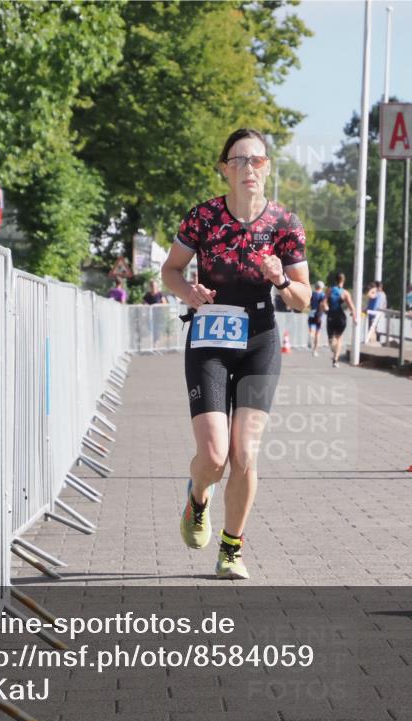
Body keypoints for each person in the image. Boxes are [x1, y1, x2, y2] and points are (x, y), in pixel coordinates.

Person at [161, 128, 310, 580]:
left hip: (260, 340)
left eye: (258, 161)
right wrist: (189, 291)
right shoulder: (203, 217)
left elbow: (303, 299)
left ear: (267, 168)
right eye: (240, 160)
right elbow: (170, 270)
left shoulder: (284, 225)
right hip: (210, 336)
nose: (249, 168)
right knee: (214, 456)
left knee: (244, 454)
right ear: (225, 168)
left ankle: (232, 548)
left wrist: (281, 279)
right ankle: (197, 497)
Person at [324, 272, 357, 367]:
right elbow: (351, 306)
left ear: (335, 280)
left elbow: (324, 302)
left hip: (331, 316)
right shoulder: (345, 293)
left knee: (332, 340)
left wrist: (325, 308)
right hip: (341, 318)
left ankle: (335, 355)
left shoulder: (329, 290)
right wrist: (354, 316)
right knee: (338, 338)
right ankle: (335, 359)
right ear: (343, 280)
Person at [308, 280, 326, 356]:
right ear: (321, 287)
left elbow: (308, 303)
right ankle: (315, 350)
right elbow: (322, 306)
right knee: (317, 333)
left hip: (311, 312)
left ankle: (310, 336)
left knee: (311, 328)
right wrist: (320, 315)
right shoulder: (322, 295)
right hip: (319, 314)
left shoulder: (312, 294)